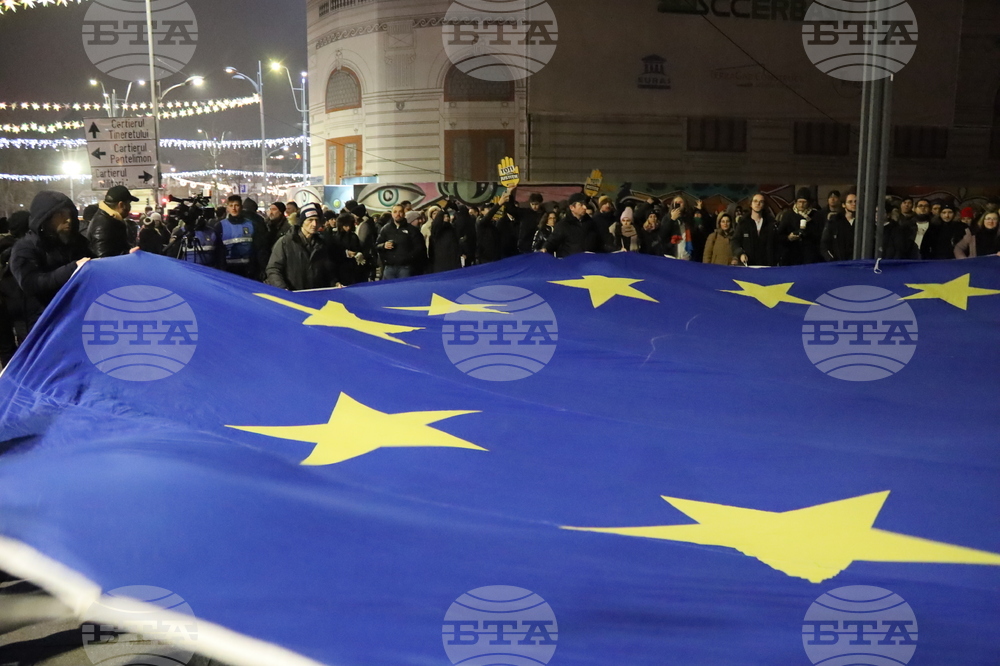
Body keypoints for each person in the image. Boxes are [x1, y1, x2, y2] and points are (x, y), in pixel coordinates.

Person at [9, 191, 91, 331]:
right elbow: (31, 283)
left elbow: (97, 262)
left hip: (74, 318)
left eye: (69, 214)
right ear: (45, 218)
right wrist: (73, 268)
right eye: (60, 215)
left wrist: (126, 258)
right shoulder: (25, 247)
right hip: (43, 323)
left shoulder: (75, 242)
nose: (68, 220)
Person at [265, 203, 332, 291]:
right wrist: (282, 288)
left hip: (315, 296)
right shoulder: (285, 242)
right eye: (310, 220)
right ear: (302, 222)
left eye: (316, 220)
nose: (314, 224)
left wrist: (334, 283)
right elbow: (273, 269)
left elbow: (327, 270)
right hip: (292, 295)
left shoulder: (321, 244)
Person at [543, 193, 613, 258]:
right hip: (569, 266)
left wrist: (615, 250)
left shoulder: (592, 224)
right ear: (572, 207)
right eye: (581, 205)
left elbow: (601, 243)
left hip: (588, 264)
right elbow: (552, 243)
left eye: (585, 204)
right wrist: (544, 249)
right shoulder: (563, 225)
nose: (585, 207)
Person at [89, 185, 139, 258]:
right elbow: (103, 258)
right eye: (128, 203)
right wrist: (128, 253)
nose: (129, 207)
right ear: (121, 205)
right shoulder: (103, 225)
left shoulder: (111, 219)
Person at [215, 194, 258, 277]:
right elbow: (218, 251)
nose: (234, 208)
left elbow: (256, 248)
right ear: (227, 208)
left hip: (248, 270)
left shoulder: (251, 225)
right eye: (231, 205)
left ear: (241, 207)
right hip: (228, 269)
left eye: (236, 205)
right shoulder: (220, 226)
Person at [777, 187, 822, 265]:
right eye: (799, 202)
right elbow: (779, 235)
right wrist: (788, 238)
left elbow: (820, 235)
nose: (801, 205)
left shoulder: (815, 215)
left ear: (808, 202)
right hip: (791, 255)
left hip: (809, 256)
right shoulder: (788, 215)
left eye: (804, 202)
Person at [377, 204, 423, 280]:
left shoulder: (412, 230)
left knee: (404, 290)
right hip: (389, 268)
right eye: (395, 212)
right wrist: (383, 245)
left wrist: (408, 259)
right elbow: (377, 245)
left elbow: (419, 248)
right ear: (391, 213)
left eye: (400, 212)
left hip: (405, 268)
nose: (397, 214)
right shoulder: (385, 229)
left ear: (404, 214)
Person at [731, 193, 777, 267]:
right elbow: (735, 241)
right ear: (751, 204)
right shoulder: (743, 223)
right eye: (755, 201)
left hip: (767, 266)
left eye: (761, 201)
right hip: (748, 265)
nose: (758, 203)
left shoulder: (771, 223)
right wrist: (741, 253)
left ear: (764, 205)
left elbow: (776, 243)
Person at [821, 191, 857, 262]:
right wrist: (831, 259)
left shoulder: (863, 222)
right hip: (838, 263)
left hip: (857, 263)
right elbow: (825, 244)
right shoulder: (835, 221)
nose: (854, 204)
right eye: (850, 202)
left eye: (856, 201)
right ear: (843, 205)